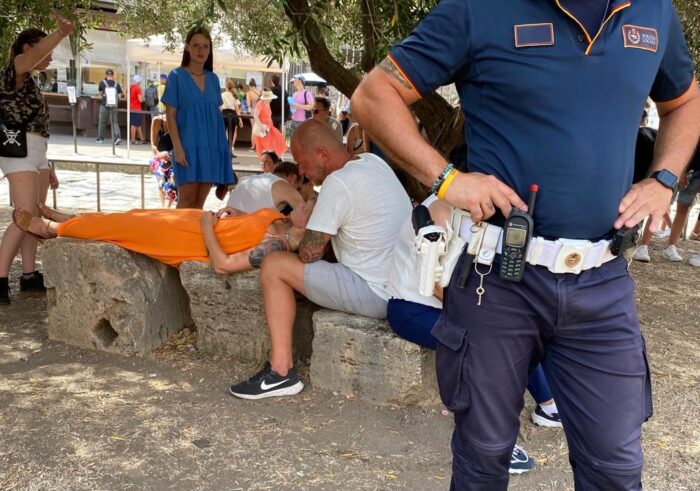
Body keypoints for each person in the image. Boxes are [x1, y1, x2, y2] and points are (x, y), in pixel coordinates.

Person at [351, 1, 700, 488]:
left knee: (615, 470)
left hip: (603, 284)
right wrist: (447, 180)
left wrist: (664, 180)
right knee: (483, 459)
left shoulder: (654, 10)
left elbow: (683, 100)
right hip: (496, 282)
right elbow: (373, 94)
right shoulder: (478, 8)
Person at [229, 120, 412, 399]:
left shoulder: (338, 183)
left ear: (323, 155)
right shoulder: (371, 161)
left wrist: (296, 230)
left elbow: (308, 253)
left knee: (274, 266)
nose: (300, 172)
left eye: (302, 163)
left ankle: (280, 372)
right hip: (399, 282)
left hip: (376, 291)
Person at [13, 200, 314, 273]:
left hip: (192, 240)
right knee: (135, 215)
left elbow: (222, 264)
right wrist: (235, 213)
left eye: (310, 207)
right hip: (200, 223)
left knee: (129, 229)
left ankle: (52, 230)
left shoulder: (276, 246)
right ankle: (74, 222)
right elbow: (248, 224)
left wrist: (208, 228)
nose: (302, 203)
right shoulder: (281, 220)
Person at [0, 16, 70, 304]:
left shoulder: (29, 80)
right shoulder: (14, 70)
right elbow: (33, 57)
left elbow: (37, 124)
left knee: (35, 216)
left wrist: (48, 164)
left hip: (36, 150)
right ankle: (0, 276)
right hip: (18, 150)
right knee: (24, 214)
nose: (49, 57)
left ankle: (29, 274)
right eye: (44, 50)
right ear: (28, 48)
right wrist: (61, 33)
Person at [162, 26, 236, 209]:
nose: (200, 50)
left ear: (210, 49)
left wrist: (224, 154)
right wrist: (178, 148)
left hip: (212, 147)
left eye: (205, 46)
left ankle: (192, 238)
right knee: (185, 202)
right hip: (187, 147)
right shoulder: (176, 76)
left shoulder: (213, 79)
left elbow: (215, 117)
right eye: (196, 45)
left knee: (198, 205)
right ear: (187, 47)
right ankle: (177, 238)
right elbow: (170, 115)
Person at [222, 161, 306, 214]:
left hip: (226, 228)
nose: (297, 192)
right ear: (293, 178)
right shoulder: (284, 186)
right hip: (246, 235)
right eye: (298, 189)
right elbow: (305, 216)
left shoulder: (246, 179)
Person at [252, 89, 287, 160]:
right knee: (267, 145)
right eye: (270, 98)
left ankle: (273, 158)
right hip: (263, 128)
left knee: (277, 139)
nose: (271, 99)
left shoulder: (267, 103)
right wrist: (261, 126)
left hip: (268, 127)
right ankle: (268, 160)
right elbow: (255, 115)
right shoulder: (260, 104)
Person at [96, 68, 122, 145]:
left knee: (102, 122)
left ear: (106, 75)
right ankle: (117, 138)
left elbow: (98, 93)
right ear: (113, 75)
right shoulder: (117, 84)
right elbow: (120, 96)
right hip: (114, 105)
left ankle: (100, 138)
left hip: (104, 105)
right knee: (114, 122)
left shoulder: (102, 82)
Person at [221, 80, 243, 157]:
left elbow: (220, 107)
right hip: (233, 115)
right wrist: (240, 120)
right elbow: (237, 109)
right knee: (231, 134)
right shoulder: (235, 95)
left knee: (222, 133)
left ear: (226, 86)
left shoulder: (222, 95)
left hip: (224, 114)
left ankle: (223, 150)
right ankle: (229, 151)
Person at [129, 74, 145, 144]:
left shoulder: (130, 87)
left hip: (131, 107)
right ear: (138, 81)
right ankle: (132, 140)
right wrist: (143, 99)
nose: (140, 82)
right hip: (136, 108)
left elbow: (126, 96)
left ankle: (142, 139)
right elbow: (140, 100)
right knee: (134, 124)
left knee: (137, 124)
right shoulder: (138, 88)